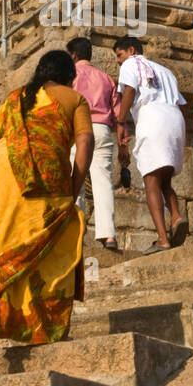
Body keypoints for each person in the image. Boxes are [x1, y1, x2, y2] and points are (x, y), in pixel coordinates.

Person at [0, 50, 94, 377]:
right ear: (70, 76)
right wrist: (75, 184)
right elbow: (85, 142)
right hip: (42, 171)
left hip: (0, 173)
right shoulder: (74, 97)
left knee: (3, 251)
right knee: (59, 241)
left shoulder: (15, 98)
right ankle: (50, 329)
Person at [113, 36, 188, 255]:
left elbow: (129, 91)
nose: (118, 61)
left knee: (150, 181)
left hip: (152, 118)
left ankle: (163, 239)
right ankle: (176, 217)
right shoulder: (165, 70)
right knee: (163, 176)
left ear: (131, 50)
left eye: (119, 55)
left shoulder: (131, 63)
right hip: (175, 119)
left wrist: (121, 120)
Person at [66, 37, 120, 252]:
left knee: (74, 182)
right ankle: (108, 236)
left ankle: (76, 235)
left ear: (73, 55)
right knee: (103, 183)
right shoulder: (106, 77)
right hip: (103, 130)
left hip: (78, 129)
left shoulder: (70, 75)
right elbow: (116, 112)